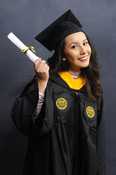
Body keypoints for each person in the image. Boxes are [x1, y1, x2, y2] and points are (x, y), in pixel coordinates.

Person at [11, 9, 105, 175]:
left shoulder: (93, 88)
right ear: (63, 55)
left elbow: (96, 137)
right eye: (74, 46)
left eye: (85, 43)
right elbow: (30, 125)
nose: (84, 51)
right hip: (51, 167)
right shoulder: (49, 83)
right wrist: (42, 83)